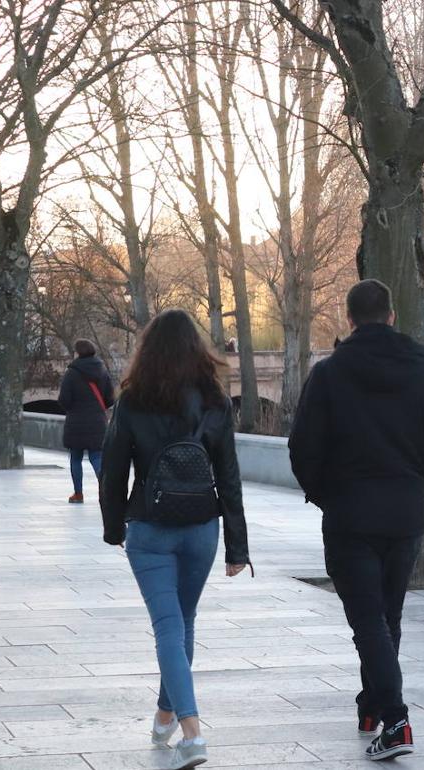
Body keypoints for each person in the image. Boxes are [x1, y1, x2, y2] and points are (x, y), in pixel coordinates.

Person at [289, 279, 424, 761]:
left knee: (367, 620)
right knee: (387, 616)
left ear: (349, 320)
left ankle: (396, 720)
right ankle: (371, 706)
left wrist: (326, 495)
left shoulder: (329, 375)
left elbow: (303, 447)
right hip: (404, 515)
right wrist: (410, 483)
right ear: (392, 316)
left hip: (350, 516)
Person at [100, 309, 251, 770]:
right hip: (202, 529)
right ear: (196, 349)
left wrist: (114, 528)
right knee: (182, 623)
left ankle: (192, 733)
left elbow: (112, 472)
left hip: (150, 529)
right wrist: (236, 547)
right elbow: (229, 476)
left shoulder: (132, 401)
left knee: (169, 625)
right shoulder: (215, 401)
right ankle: (165, 715)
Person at [58, 339, 115, 504]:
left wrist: (73, 408)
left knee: (75, 458)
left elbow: (64, 400)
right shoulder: (102, 371)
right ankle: (105, 491)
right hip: (97, 421)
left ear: (78, 353)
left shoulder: (72, 373)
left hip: (76, 422)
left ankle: (78, 494)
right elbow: (110, 399)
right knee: (97, 457)